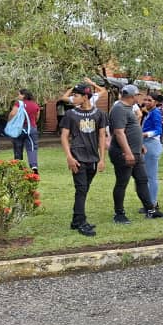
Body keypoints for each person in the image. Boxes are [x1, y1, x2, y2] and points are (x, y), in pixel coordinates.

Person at [109, 84, 163, 223]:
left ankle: (150, 210)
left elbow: (131, 130)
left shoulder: (129, 108)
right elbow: (119, 132)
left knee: (142, 180)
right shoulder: (119, 109)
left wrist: (139, 145)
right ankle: (119, 214)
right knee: (122, 183)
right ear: (131, 96)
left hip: (136, 152)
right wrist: (128, 152)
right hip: (123, 153)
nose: (139, 98)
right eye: (137, 95)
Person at [60, 84, 108, 237]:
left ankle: (76, 220)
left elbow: (102, 136)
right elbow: (64, 137)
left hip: (93, 158)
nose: (73, 98)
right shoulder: (70, 114)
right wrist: (69, 157)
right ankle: (81, 222)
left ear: (85, 96)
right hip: (77, 157)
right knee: (81, 189)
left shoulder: (99, 114)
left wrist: (102, 159)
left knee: (84, 189)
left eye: (77, 95)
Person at [140, 92, 163, 211]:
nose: (146, 102)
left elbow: (159, 130)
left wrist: (145, 134)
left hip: (151, 144)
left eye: (149, 100)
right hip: (148, 144)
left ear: (155, 102)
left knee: (151, 177)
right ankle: (150, 202)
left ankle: (153, 203)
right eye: (145, 100)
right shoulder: (150, 113)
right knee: (147, 176)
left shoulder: (155, 113)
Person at [7, 88, 41, 174]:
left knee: (18, 147)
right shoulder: (35, 104)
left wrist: (10, 121)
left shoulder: (19, 103)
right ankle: (34, 166)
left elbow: (13, 113)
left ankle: (19, 166)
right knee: (32, 148)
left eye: (19, 94)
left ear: (24, 95)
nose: (18, 96)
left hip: (19, 129)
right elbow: (37, 117)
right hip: (31, 129)